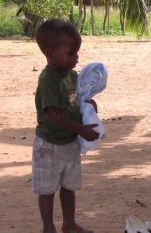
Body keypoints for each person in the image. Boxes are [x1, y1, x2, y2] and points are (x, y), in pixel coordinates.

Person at [33, 19, 100, 233]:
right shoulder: (48, 81)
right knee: (47, 190)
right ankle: (48, 227)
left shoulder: (70, 75)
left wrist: (88, 104)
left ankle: (69, 223)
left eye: (77, 53)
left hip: (69, 143)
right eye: (71, 53)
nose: (76, 58)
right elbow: (53, 115)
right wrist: (81, 129)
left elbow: (76, 99)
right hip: (49, 145)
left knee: (69, 186)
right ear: (51, 51)